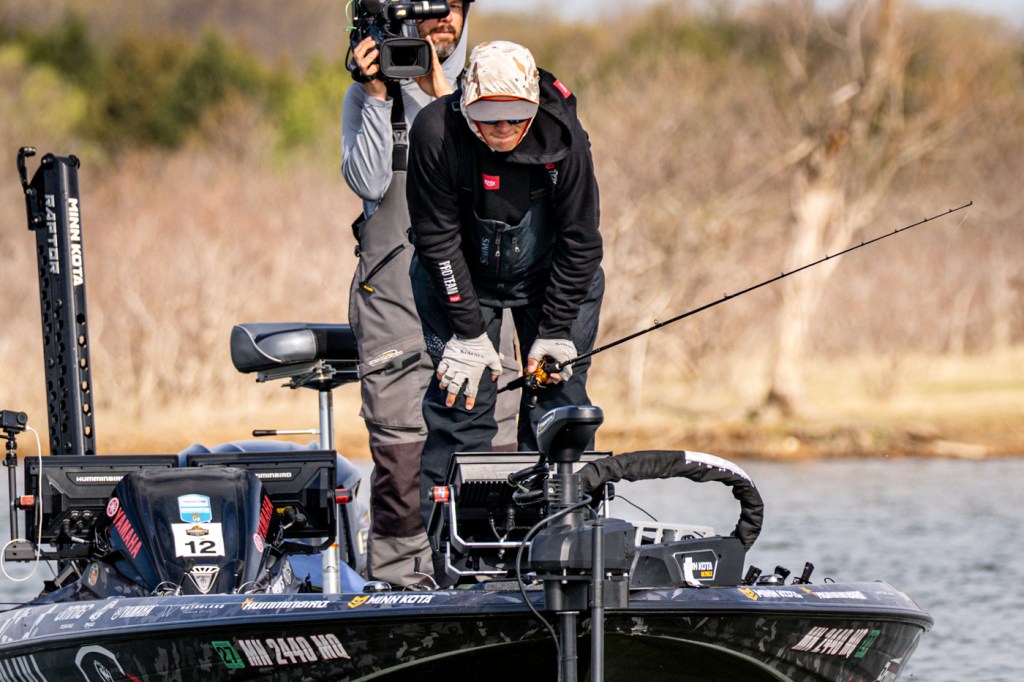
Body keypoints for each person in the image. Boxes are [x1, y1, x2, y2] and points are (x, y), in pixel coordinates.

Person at [341, 1, 519, 587]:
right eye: (427, 6)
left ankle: (491, 582)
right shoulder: (369, 94)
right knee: (401, 454)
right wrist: (376, 97)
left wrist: (446, 100)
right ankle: (400, 588)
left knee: (492, 451)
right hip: (395, 305)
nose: (442, 18)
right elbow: (369, 182)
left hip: (480, 306)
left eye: (453, 7)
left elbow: (503, 182)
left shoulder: (489, 94)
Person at [407, 41, 604, 548]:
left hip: (553, 277)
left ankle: (558, 549)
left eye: (515, 116)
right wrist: (468, 334)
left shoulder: (565, 135)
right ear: (466, 103)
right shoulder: (434, 131)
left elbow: (582, 241)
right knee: (461, 403)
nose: (502, 128)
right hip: (460, 274)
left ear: (533, 105)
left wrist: (555, 331)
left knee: (557, 404)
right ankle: (460, 557)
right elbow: (436, 240)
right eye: (488, 117)